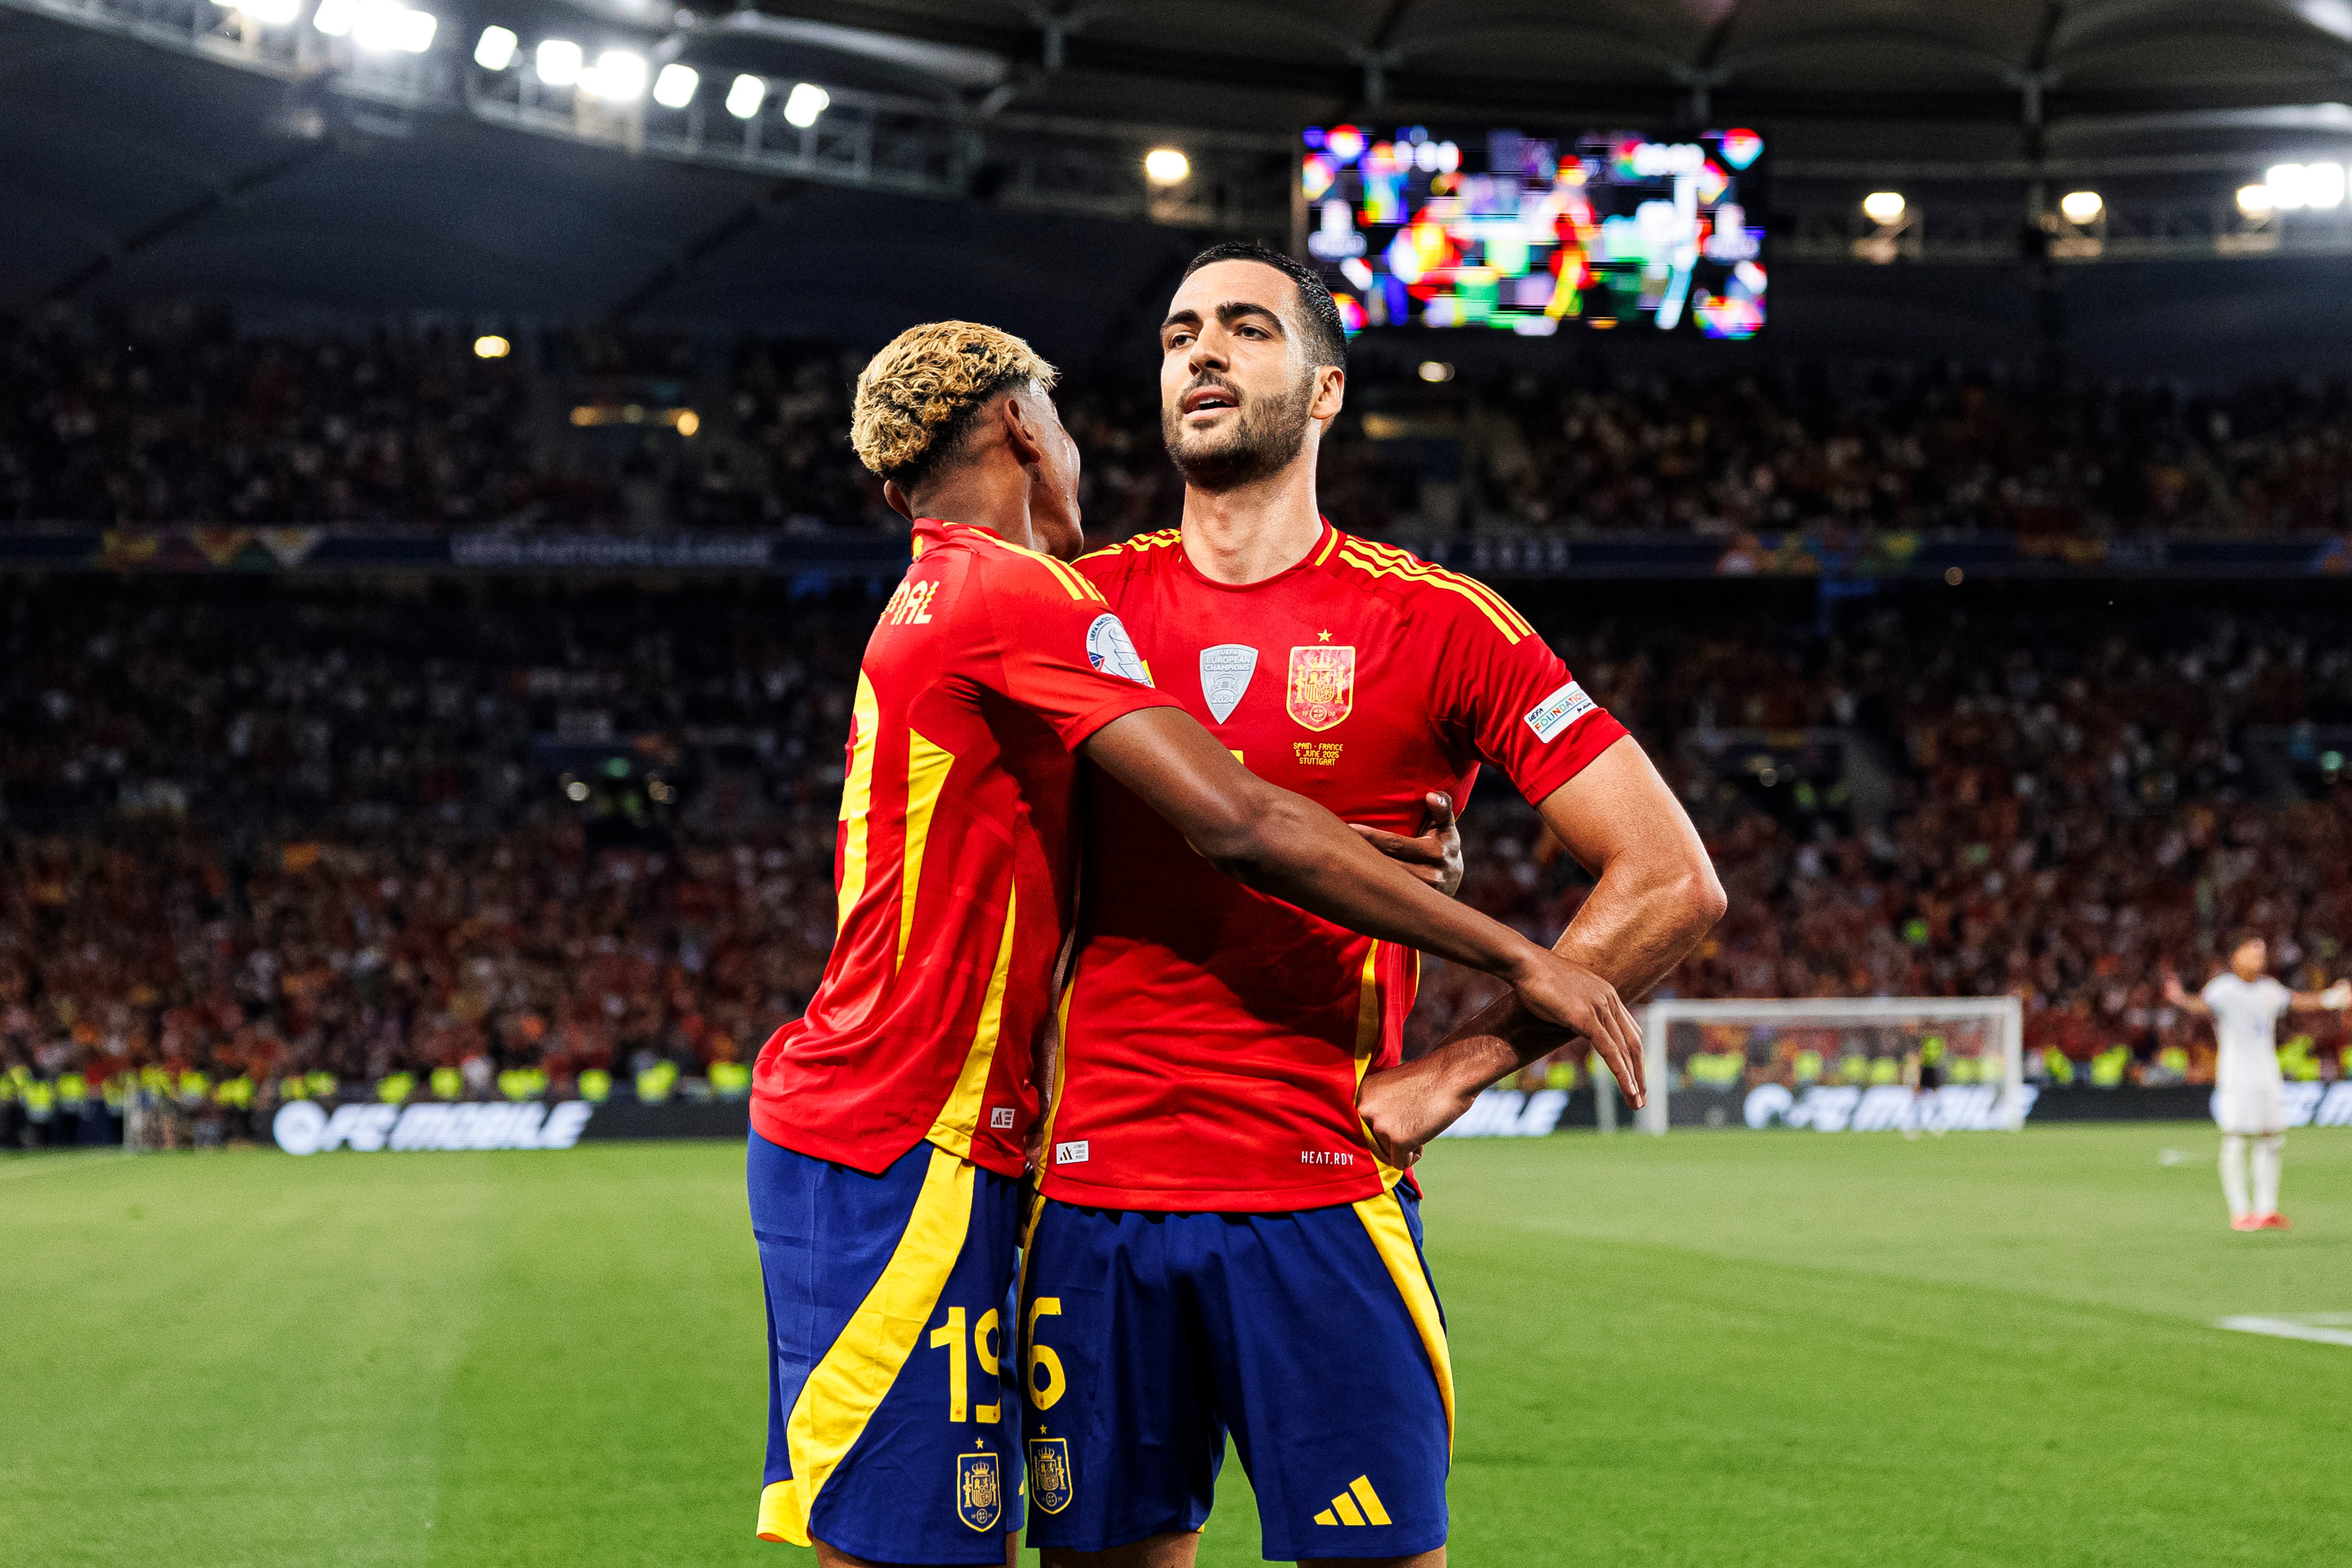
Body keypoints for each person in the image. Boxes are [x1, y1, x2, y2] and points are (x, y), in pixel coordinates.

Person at [747, 320, 1641, 1568]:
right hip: (908, 1135)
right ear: (1021, 429)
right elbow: (1233, 819)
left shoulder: (946, 587)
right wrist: (1519, 954)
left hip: (931, 1130)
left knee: (936, 1535)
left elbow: (1180, 806)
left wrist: (1373, 858)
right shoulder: (1028, 592)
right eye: (1064, 425)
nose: (1080, 455)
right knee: (906, 1547)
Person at [1021, 244, 1724, 1568]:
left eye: (1245, 329)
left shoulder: (1439, 624)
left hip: (1320, 1191)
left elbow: (1673, 877)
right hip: (1090, 1200)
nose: (1202, 354)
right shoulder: (1078, 608)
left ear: (1328, 390)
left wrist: (1463, 1065)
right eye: (1179, 334)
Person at [2164, 933, 2349, 1231]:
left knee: (2271, 1138)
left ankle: (2266, 1210)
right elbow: (2202, 1006)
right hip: (2237, 1077)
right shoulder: (2225, 989)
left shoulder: (2268, 988)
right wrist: (2180, 998)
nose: (2259, 958)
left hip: (2267, 1075)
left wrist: (2331, 998)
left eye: (2262, 953)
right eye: (2253, 952)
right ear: (2236, 955)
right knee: (2237, 1139)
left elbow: (2297, 1001)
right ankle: (2240, 1212)